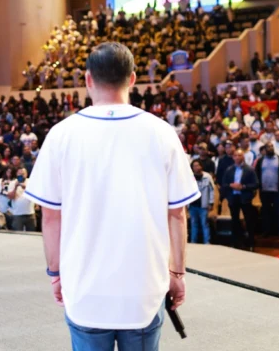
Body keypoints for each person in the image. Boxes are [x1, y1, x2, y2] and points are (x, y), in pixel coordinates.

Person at [25, 42, 196, 351]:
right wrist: (177, 273)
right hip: (143, 290)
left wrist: (55, 273)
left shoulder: (61, 134)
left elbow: (50, 216)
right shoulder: (161, 132)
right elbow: (177, 213)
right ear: (132, 79)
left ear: (88, 79)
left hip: (85, 289)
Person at [222, 149, 259, 251]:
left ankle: (251, 243)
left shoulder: (249, 169)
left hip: (245, 198)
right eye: (235, 155)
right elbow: (224, 184)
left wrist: (243, 187)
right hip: (233, 198)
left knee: (249, 221)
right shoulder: (229, 169)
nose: (237, 157)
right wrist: (231, 185)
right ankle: (236, 242)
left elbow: (256, 184)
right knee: (234, 221)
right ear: (233, 157)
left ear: (243, 157)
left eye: (239, 155)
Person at [255, 143, 279, 238]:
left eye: (272, 146)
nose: (270, 148)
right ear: (265, 149)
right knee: (265, 211)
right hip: (264, 191)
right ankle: (266, 231)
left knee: (278, 211)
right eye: (268, 147)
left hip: (277, 190)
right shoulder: (260, 160)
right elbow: (257, 174)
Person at [189, 159, 215, 244]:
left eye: (198, 165)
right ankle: (193, 242)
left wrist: (211, 202)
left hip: (203, 204)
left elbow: (211, 190)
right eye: (194, 166)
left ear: (201, 166)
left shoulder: (207, 177)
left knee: (205, 224)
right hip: (193, 205)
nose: (196, 167)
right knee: (194, 225)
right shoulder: (189, 177)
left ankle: (207, 242)